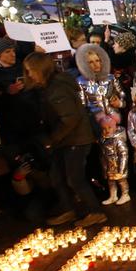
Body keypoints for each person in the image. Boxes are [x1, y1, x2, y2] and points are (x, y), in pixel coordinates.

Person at [23, 52, 107, 227]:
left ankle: (95, 212)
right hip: (65, 139)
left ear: (40, 69)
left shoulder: (57, 88)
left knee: (74, 178)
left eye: (31, 70)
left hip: (75, 139)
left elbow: (70, 118)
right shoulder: (49, 86)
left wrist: (52, 139)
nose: (29, 74)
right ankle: (69, 208)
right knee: (57, 176)